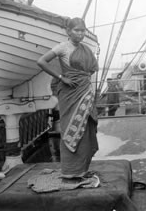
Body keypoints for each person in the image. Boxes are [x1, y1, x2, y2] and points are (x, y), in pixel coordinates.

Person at [36, 17, 99, 180]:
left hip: (84, 91)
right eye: (76, 30)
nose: (80, 34)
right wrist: (61, 77)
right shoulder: (62, 47)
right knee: (70, 128)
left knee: (84, 128)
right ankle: (70, 170)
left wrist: (82, 80)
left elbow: (91, 69)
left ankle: (82, 169)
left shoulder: (86, 49)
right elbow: (41, 61)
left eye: (82, 30)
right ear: (68, 31)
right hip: (69, 94)